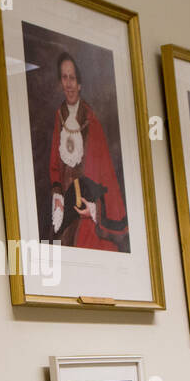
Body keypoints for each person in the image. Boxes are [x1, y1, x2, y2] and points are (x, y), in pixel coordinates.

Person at [48, 52, 128, 251]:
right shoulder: (59, 117)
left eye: (72, 78)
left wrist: (94, 210)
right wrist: (57, 197)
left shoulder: (92, 121)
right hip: (64, 210)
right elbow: (54, 165)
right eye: (64, 78)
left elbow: (104, 174)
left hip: (86, 213)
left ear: (80, 83)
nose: (68, 84)